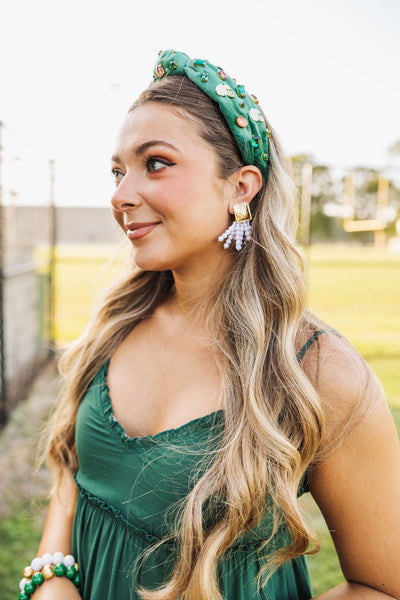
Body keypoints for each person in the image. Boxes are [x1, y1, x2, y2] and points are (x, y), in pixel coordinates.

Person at [20, 50, 400, 600]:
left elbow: (383, 585)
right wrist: (52, 582)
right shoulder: (114, 328)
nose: (121, 195)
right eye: (117, 171)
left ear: (241, 187)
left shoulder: (319, 371)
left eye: (155, 163)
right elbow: (71, 480)